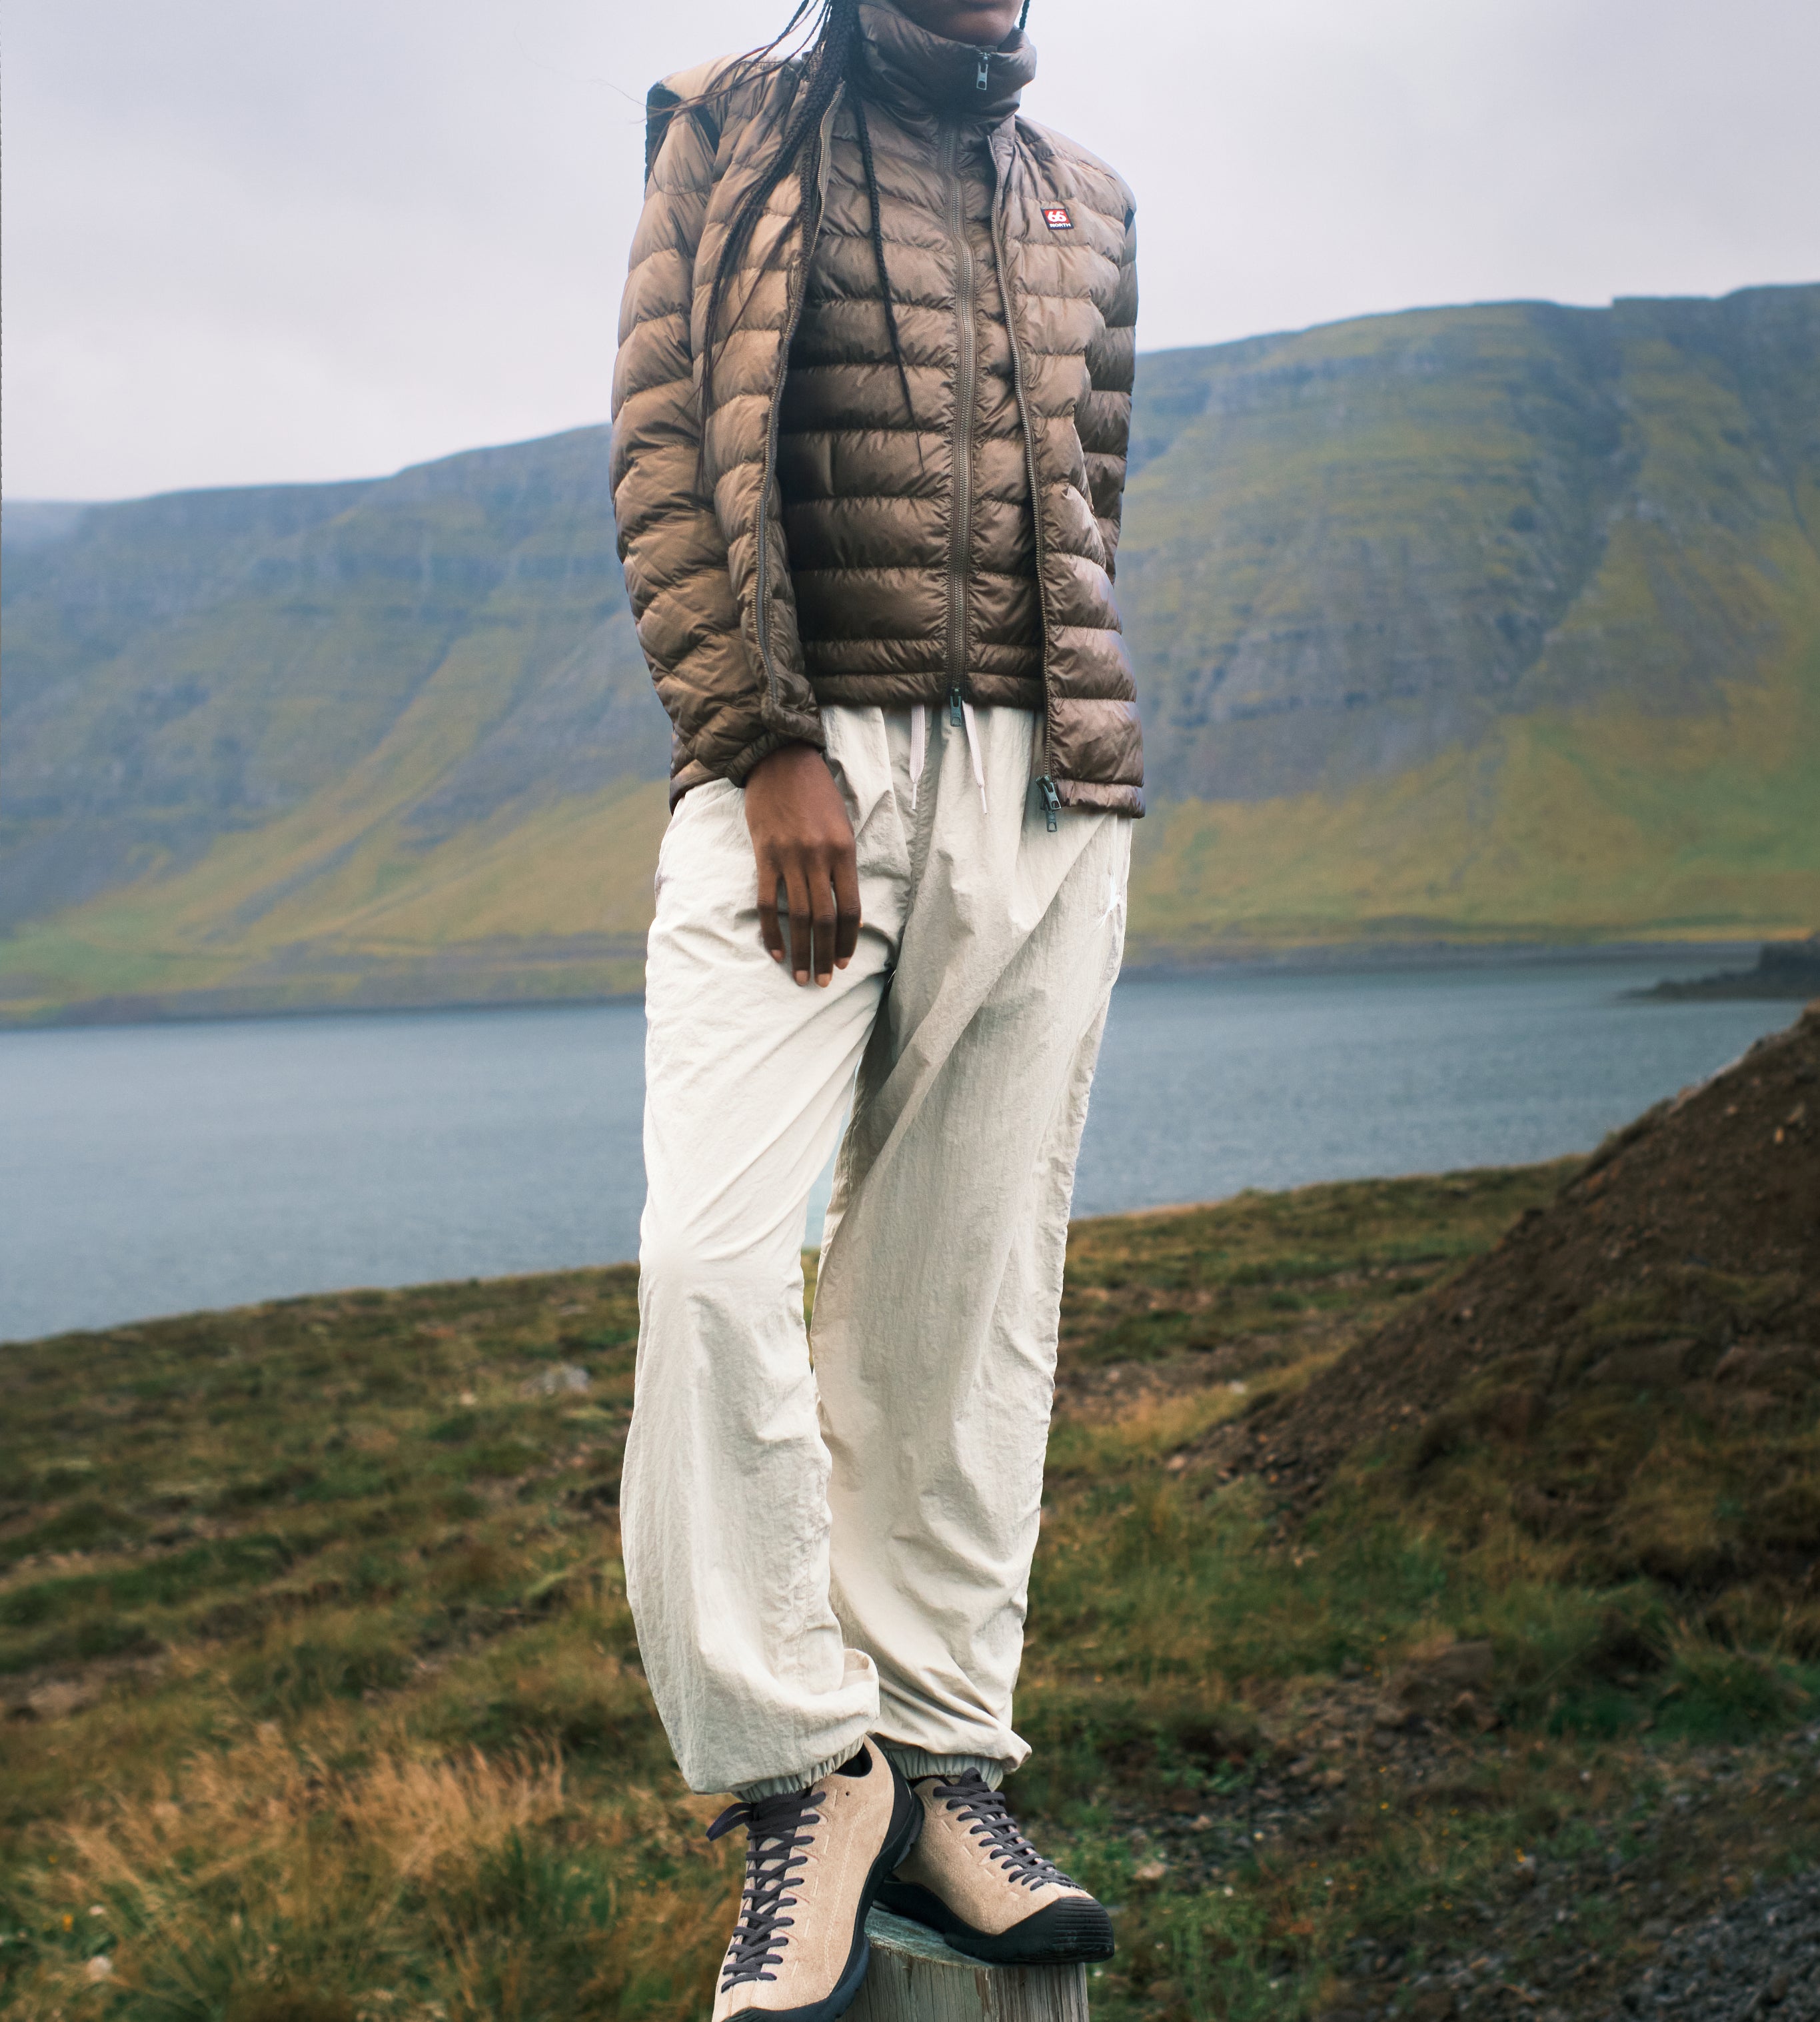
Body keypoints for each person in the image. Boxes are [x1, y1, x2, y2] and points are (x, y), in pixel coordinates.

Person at [610, 0, 1142, 2011]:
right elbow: (666, 450)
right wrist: (762, 743)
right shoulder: (727, 125)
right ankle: (801, 1775)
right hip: (797, 765)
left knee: (965, 1296)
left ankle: (936, 1765)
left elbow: (1090, 493)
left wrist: (1041, 770)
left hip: (1045, 787)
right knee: (712, 1260)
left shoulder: (1089, 199)